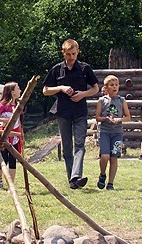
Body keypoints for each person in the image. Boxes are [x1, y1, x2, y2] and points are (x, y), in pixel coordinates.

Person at [42, 39, 99, 189]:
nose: (71, 57)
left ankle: (76, 175)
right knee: (67, 147)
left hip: (80, 111)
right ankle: (72, 181)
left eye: (73, 54)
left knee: (79, 145)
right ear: (63, 53)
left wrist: (83, 94)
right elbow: (45, 90)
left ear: (78, 51)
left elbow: (96, 88)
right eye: (68, 54)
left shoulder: (85, 68)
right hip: (63, 112)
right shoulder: (56, 69)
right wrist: (60, 87)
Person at [95, 75, 131, 190]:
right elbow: (97, 117)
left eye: (116, 85)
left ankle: (110, 183)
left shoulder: (122, 100)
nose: (114, 87)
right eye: (112, 85)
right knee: (105, 156)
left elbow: (128, 117)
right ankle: (102, 174)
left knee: (114, 157)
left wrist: (118, 120)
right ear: (106, 87)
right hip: (105, 132)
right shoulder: (102, 101)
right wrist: (106, 118)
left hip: (117, 133)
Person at [0, 82, 22, 189]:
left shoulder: (17, 105)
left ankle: (11, 185)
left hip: (15, 137)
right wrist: (5, 120)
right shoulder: (3, 104)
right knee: (3, 160)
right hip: (4, 137)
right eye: (18, 88)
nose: (20, 90)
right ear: (12, 92)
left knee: (13, 160)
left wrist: (21, 134)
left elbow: (19, 121)